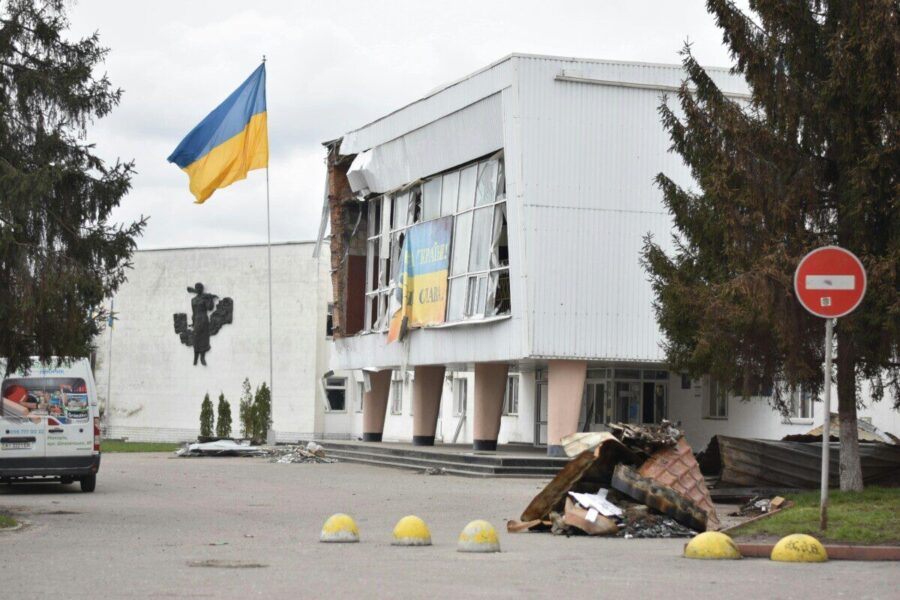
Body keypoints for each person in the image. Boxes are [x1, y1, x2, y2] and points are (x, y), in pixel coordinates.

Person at [188, 282, 216, 366]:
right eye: (197, 288)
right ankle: (195, 357)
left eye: (200, 288)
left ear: (202, 289)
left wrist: (210, 299)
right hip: (197, 320)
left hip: (204, 319)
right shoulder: (193, 300)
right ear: (196, 289)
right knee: (196, 339)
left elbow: (210, 308)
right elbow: (193, 312)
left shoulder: (205, 298)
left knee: (204, 339)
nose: (199, 289)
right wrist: (193, 322)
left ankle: (202, 357)